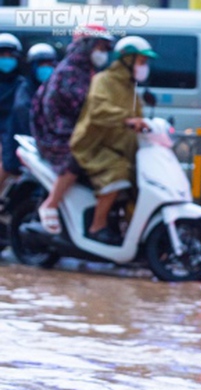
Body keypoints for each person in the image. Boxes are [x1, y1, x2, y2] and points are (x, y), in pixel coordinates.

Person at [69, 35, 157, 245]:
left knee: (141, 178)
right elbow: (99, 110)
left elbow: (138, 117)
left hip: (119, 147)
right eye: (141, 61)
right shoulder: (104, 80)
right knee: (118, 172)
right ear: (127, 59)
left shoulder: (130, 87)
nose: (144, 67)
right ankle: (96, 227)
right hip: (94, 147)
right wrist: (126, 119)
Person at [32, 24, 115, 234]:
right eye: (99, 47)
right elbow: (85, 107)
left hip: (77, 131)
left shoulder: (87, 72)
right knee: (79, 156)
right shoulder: (70, 72)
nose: (102, 53)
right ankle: (50, 204)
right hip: (56, 134)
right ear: (87, 46)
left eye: (105, 49)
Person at [2, 43, 58, 182]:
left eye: (49, 64)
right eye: (42, 65)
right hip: (24, 141)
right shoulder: (25, 89)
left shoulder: (56, 88)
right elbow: (23, 112)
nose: (46, 69)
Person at [0, 33, 25, 186]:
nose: (6, 59)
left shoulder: (22, 85)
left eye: (10, 55)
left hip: (13, 137)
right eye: (2, 55)